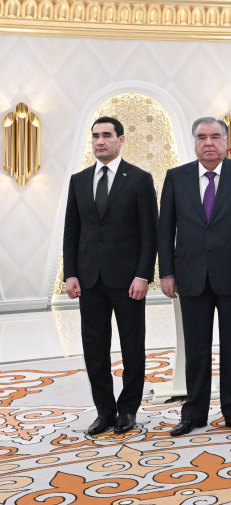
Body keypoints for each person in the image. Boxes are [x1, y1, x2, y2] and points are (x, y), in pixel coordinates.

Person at [157, 117, 231, 436]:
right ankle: (194, 413)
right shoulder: (176, 178)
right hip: (190, 275)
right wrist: (166, 272)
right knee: (196, 349)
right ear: (193, 141)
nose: (209, 142)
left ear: (226, 141)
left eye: (216, 136)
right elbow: (165, 229)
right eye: (202, 137)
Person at [63, 116, 158, 436]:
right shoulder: (79, 180)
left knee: (133, 347)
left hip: (127, 280)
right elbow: (71, 232)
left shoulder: (140, 179)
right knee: (94, 348)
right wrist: (71, 273)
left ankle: (128, 410)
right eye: (95, 136)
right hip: (90, 280)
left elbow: (150, 233)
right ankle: (105, 411)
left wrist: (143, 275)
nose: (100, 141)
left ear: (121, 140)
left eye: (106, 135)